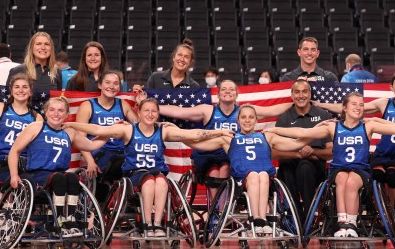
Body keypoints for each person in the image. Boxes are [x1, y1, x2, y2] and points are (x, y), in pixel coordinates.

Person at [264, 92, 395, 237]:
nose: (358, 107)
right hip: (338, 170)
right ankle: (342, 222)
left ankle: (352, 223)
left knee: (351, 181)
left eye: (361, 105)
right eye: (354, 104)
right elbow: (302, 133)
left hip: (360, 171)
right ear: (344, 108)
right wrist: (275, 130)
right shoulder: (333, 127)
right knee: (342, 178)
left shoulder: (369, 125)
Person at [64, 99, 232, 237]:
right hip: (135, 175)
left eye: (154, 111)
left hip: (156, 173)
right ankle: (146, 223)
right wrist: (73, 125)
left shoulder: (163, 131)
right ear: (139, 113)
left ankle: (157, 225)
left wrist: (219, 132)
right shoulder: (128, 129)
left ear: (158, 114)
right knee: (150, 180)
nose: (150, 114)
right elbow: (99, 129)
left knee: (161, 181)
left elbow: (194, 134)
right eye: (146, 111)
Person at [136, 79, 290, 200]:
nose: (227, 92)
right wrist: (149, 107)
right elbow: (180, 112)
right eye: (224, 89)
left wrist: (299, 103)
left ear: (237, 94)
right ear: (218, 94)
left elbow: (274, 110)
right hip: (207, 152)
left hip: (232, 155)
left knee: (224, 168)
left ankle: (224, 208)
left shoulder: (245, 111)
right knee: (216, 171)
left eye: (231, 89)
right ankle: (217, 210)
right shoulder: (208, 110)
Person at [180, 105, 316, 234]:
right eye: (243, 117)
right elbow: (198, 142)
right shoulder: (229, 138)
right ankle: (256, 220)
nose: (247, 120)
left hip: (265, 182)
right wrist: (184, 135)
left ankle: (262, 220)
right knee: (253, 175)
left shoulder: (267, 136)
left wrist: (281, 130)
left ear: (257, 120)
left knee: (262, 174)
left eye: (251, 117)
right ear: (238, 120)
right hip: (241, 183)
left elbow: (296, 142)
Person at [316, 71, 395, 205]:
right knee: (377, 176)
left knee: (393, 177)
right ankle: (381, 211)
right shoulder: (384, 103)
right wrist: (321, 105)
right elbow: (349, 108)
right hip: (383, 153)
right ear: (391, 87)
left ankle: (393, 214)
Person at [7, 96, 108, 238]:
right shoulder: (36, 127)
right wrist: (14, 174)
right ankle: (59, 220)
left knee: (72, 176)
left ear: (67, 115)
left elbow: (92, 145)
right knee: (60, 177)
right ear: (45, 112)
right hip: (36, 176)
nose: (56, 114)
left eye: (61, 111)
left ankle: (70, 220)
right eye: (52, 110)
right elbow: (14, 151)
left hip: (60, 176)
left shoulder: (69, 132)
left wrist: (110, 133)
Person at [273, 80, 334, 221]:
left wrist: (313, 152)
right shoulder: (284, 118)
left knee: (305, 167)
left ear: (310, 94)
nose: (301, 95)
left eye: (304, 91)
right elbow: (273, 152)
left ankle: (308, 216)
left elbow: (331, 152)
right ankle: (295, 216)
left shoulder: (324, 116)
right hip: (291, 163)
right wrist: (298, 154)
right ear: (292, 95)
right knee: (286, 167)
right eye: (297, 92)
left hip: (315, 166)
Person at [73, 70, 139, 199]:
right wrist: (90, 161)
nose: (111, 86)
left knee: (140, 161)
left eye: (115, 83)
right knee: (126, 162)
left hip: (120, 152)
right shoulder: (87, 106)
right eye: (107, 82)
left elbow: (140, 129)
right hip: (99, 153)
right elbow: (81, 139)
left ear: (119, 87)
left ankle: (134, 199)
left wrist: (130, 124)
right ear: (100, 85)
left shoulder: (123, 105)